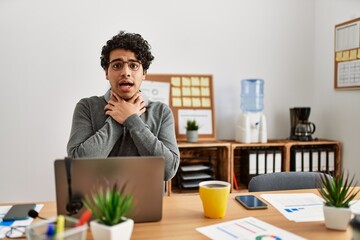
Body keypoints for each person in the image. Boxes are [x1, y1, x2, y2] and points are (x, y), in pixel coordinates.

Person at [67, 31, 180, 181]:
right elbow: (79, 167)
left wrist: (132, 120)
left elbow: (168, 170)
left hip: (146, 204)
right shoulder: (86, 107)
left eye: (133, 65)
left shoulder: (161, 112)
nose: (125, 72)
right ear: (106, 72)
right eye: (117, 65)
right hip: (97, 202)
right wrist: (118, 119)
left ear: (144, 73)